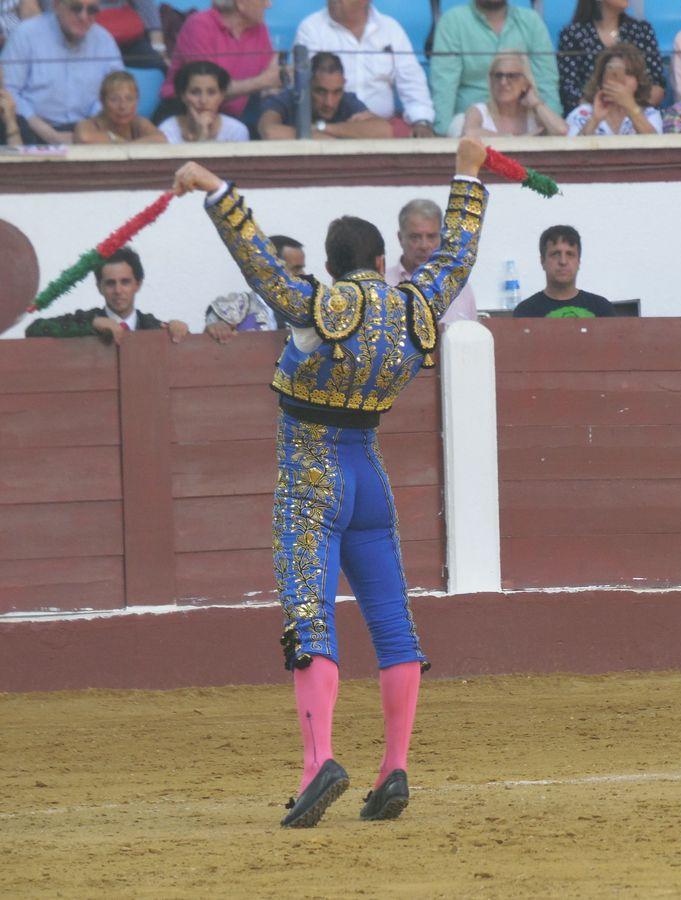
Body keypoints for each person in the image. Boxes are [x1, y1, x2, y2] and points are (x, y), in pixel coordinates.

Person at [170, 136, 489, 829]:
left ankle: (319, 764)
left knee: (310, 621)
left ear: (332, 264)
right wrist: (467, 173)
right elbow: (457, 258)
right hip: (369, 477)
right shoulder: (412, 306)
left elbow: (263, 273)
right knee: (393, 624)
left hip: (310, 476)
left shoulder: (322, 305)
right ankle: (395, 765)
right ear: (381, 261)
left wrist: (216, 192)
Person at [294, 0, 435, 138]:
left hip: (384, 125)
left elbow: (412, 82)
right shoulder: (311, 28)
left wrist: (421, 121)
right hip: (332, 126)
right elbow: (310, 87)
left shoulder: (390, 29)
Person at [430, 0, 561, 136]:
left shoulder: (531, 21)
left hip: (523, 119)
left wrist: (552, 126)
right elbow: (444, 86)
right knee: (459, 126)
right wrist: (442, 137)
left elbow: (547, 81)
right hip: (471, 125)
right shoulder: (453, 21)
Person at [0, 0, 123, 144]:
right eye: (76, 8)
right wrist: (51, 135)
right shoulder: (26, 34)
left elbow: (116, 90)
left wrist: (88, 129)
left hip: (89, 131)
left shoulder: (104, 40)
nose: (83, 16)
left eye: (91, 10)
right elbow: (8, 92)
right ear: (57, 5)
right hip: (32, 128)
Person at [24, 247, 189, 341]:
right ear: (99, 287)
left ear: (137, 285)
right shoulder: (87, 320)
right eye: (110, 283)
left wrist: (181, 330)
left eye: (125, 282)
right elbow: (34, 330)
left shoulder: (154, 326)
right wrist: (92, 325)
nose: (118, 290)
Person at [158, 0, 277, 125]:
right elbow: (207, 90)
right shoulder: (200, 25)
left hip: (231, 118)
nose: (269, 5)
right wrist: (263, 81)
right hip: (184, 114)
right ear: (241, 3)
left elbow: (272, 73)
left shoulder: (259, 29)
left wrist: (276, 81)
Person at [556, 0, 664, 113]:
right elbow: (569, 91)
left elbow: (657, 86)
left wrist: (627, 107)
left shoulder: (641, 31)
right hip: (593, 116)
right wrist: (604, 109)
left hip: (638, 115)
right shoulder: (573, 34)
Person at [257, 51, 392, 141]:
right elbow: (269, 131)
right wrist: (332, 137)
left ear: (343, 85)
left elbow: (384, 131)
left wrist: (322, 128)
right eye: (321, 92)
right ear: (306, 85)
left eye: (336, 92)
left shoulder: (347, 100)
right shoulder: (286, 99)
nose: (329, 102)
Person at [385, 199, 478, 325]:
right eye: (415, 237)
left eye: (431, 236)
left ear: (442, 237)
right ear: (401, 238)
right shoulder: (383, 284)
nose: (424, 246)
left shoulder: (460, 288)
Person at [204, 234, 303, 342]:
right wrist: (217, 328)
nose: (303, 274)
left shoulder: (305, 311)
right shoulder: (236, 307)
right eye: (296, 269)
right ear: (272, 268)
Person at [514, 225, 615, 318]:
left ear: (578, 261)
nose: (563, 261)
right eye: (555, 254)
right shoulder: (526, 312)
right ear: (542, 261)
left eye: (570, 254)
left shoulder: (601, 309)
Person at [565, 42, 662, 136]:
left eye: (628, 73)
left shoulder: (650, 114)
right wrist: (595, 120)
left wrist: (631, 107)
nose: (621, 80)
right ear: (602, 79)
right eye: (614, 73)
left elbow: (658, 149)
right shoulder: (581, 113)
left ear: (638, 82)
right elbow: (570, 151)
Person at [463, 50, 567, 137]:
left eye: (512, 76)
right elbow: (469, 133)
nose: (503, 82)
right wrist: (514, 140)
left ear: (525, 83)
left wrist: (536, 103)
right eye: (498, 75)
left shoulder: (534, 116)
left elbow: (561, 131)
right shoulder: (479, 111)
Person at [160, 59, 249, 143]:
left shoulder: (236, 130)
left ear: (222, 95)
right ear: (183, 95)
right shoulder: (168, 129)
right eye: (195, 92)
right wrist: (202, 134)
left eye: (211, 93)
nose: (203, 101)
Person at [73, 69, 165, 143]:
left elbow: (161, 139)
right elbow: (84, 138)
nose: (122, 106)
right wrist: (114, 139)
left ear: (137, 99)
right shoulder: (89, 124)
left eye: (129, 99)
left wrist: (126, 147)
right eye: (114, 99)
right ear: (102, 101)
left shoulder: (138, 123)